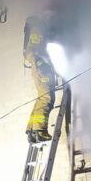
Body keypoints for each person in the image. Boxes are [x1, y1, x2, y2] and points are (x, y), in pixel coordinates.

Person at [24, 13, 58, 143]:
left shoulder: (41, 29)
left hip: (41, 68)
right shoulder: (38, 28)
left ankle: (32, 131)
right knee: (46, 98)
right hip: (41, 68)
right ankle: (40, 131)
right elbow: (31, 52)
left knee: (42, 97)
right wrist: (41, 62)